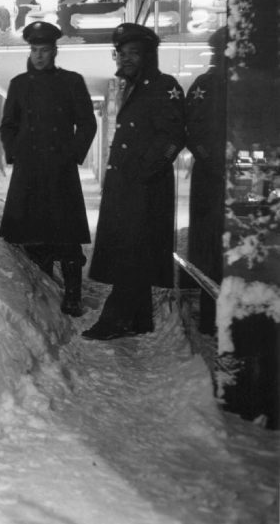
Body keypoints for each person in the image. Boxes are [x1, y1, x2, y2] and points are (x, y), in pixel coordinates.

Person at [84, 22, 186, 340]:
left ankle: (115, 319)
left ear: (148, 55)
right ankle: (140, 318)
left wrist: (142, 172)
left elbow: (173, 136)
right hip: (130, 188)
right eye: (122, 53)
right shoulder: (135, 87)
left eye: (133, 53)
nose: (125, 59)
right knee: (133, 252)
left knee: (131, 252)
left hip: (145, 190)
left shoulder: (162, 86)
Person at [0, 21, 97, 316]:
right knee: (32, 236)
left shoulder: (72, 81)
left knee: (66, 238)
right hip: (28, 173)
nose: (39, 56)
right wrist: (16, 153)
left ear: (55, 51)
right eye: (34, 50)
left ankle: (73, 297)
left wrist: (72, 155)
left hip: (60, 172)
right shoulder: (19, 84)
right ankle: (41, 296)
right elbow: (8, 126)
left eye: (44, 50)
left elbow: (88, 123)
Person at [185, 27, 228, 335]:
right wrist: (209, 159)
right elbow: (188, 128)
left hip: (228, 177)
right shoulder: (204, 85)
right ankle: (211, 314)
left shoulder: (248, 85)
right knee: (208, 244)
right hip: (209, 178)